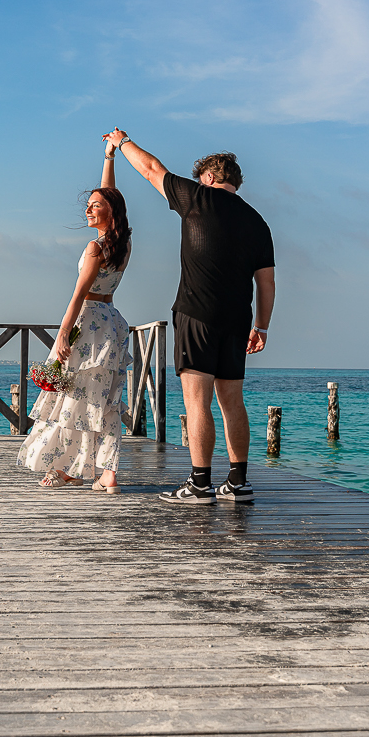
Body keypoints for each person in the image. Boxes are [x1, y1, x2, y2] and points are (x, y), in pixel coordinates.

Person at [104, 127, 275, 505]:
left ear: (210, 178)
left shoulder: (197, 197)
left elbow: (150, 168)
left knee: (197, 403)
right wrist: (261, 325)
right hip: (238, 321)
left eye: (201, 177)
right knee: (233, 400)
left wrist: (121, 142)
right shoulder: (258, 222)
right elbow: (267, 282)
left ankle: (199, 484)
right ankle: (238, 483)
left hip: (196, 314)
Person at [17, 141, 133, 493]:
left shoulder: (96, 247)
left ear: (109, 212)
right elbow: (110, 194)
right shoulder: (122, 243)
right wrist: (109, 157)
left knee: (74, 398)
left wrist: (64, 333)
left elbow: (79, 294)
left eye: (94, 206)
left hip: (90, 323)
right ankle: (105, 472)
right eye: (87, 205)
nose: (88, 210)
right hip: (111, 321)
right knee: (104, 399)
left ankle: (69, 469)